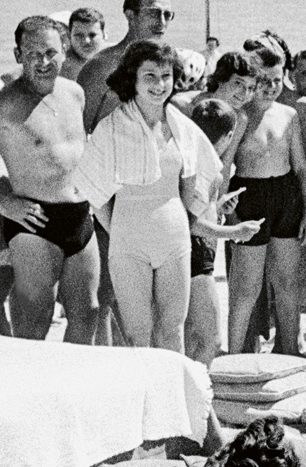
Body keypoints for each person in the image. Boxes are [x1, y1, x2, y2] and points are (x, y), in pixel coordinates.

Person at [79, 41, 229, 352]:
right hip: (128, 240)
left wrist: (184, 222)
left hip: (175, 238)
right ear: (132, 78)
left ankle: (171, 400)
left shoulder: (181, 126)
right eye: (150, 76)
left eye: (165, 76)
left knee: (173, 330)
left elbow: (199, 178)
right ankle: (145, 401)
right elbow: (94, 191)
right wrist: (121, 230)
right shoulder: (110, 128)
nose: (159, 85)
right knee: (138, 334)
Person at [0, 16, 99, 344]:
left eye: (51, 52)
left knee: (88, 313)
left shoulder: (75, 93)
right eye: (33, 53)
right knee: (34, 324)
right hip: (33, 221)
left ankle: (67, 392)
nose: (43, 61)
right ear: (17, 54)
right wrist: (4, 200)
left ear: (65, 52)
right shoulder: (5, 104)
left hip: (80, 216)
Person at [228, 38, 306, 356]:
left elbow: (302, 168)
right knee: (246, 288)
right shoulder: (240, 116)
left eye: (277, 81)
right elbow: (225, 169)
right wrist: (230, 215)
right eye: (264, 81)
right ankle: (235, 355)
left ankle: (288, 348)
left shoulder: (289, 114)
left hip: (285, 196)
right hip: (249, 196)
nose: (270, 87)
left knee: (287, 282)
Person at [184, 98, 257, 364]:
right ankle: (198, 400)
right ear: (228, 136)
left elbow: (195, 210)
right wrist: (234, 231)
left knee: (190, 337)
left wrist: (218, 208)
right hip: (196, 255)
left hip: (192, 253)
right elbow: (188, 222)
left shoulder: (191, 161)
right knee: (211, 340)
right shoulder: (208, 168)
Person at [78, 0, 176, 132]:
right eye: (154, 13)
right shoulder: (102, 67)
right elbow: (81, 130)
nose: (162, 22)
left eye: (167, 15)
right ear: (130, 15)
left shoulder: (169, 64)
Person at [62, 8, 106, 83]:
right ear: (69, 36)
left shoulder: (119, 60)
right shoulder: (56, 70)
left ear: (104, 36)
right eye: (79, 35)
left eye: (92, 35)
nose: (86, 41)